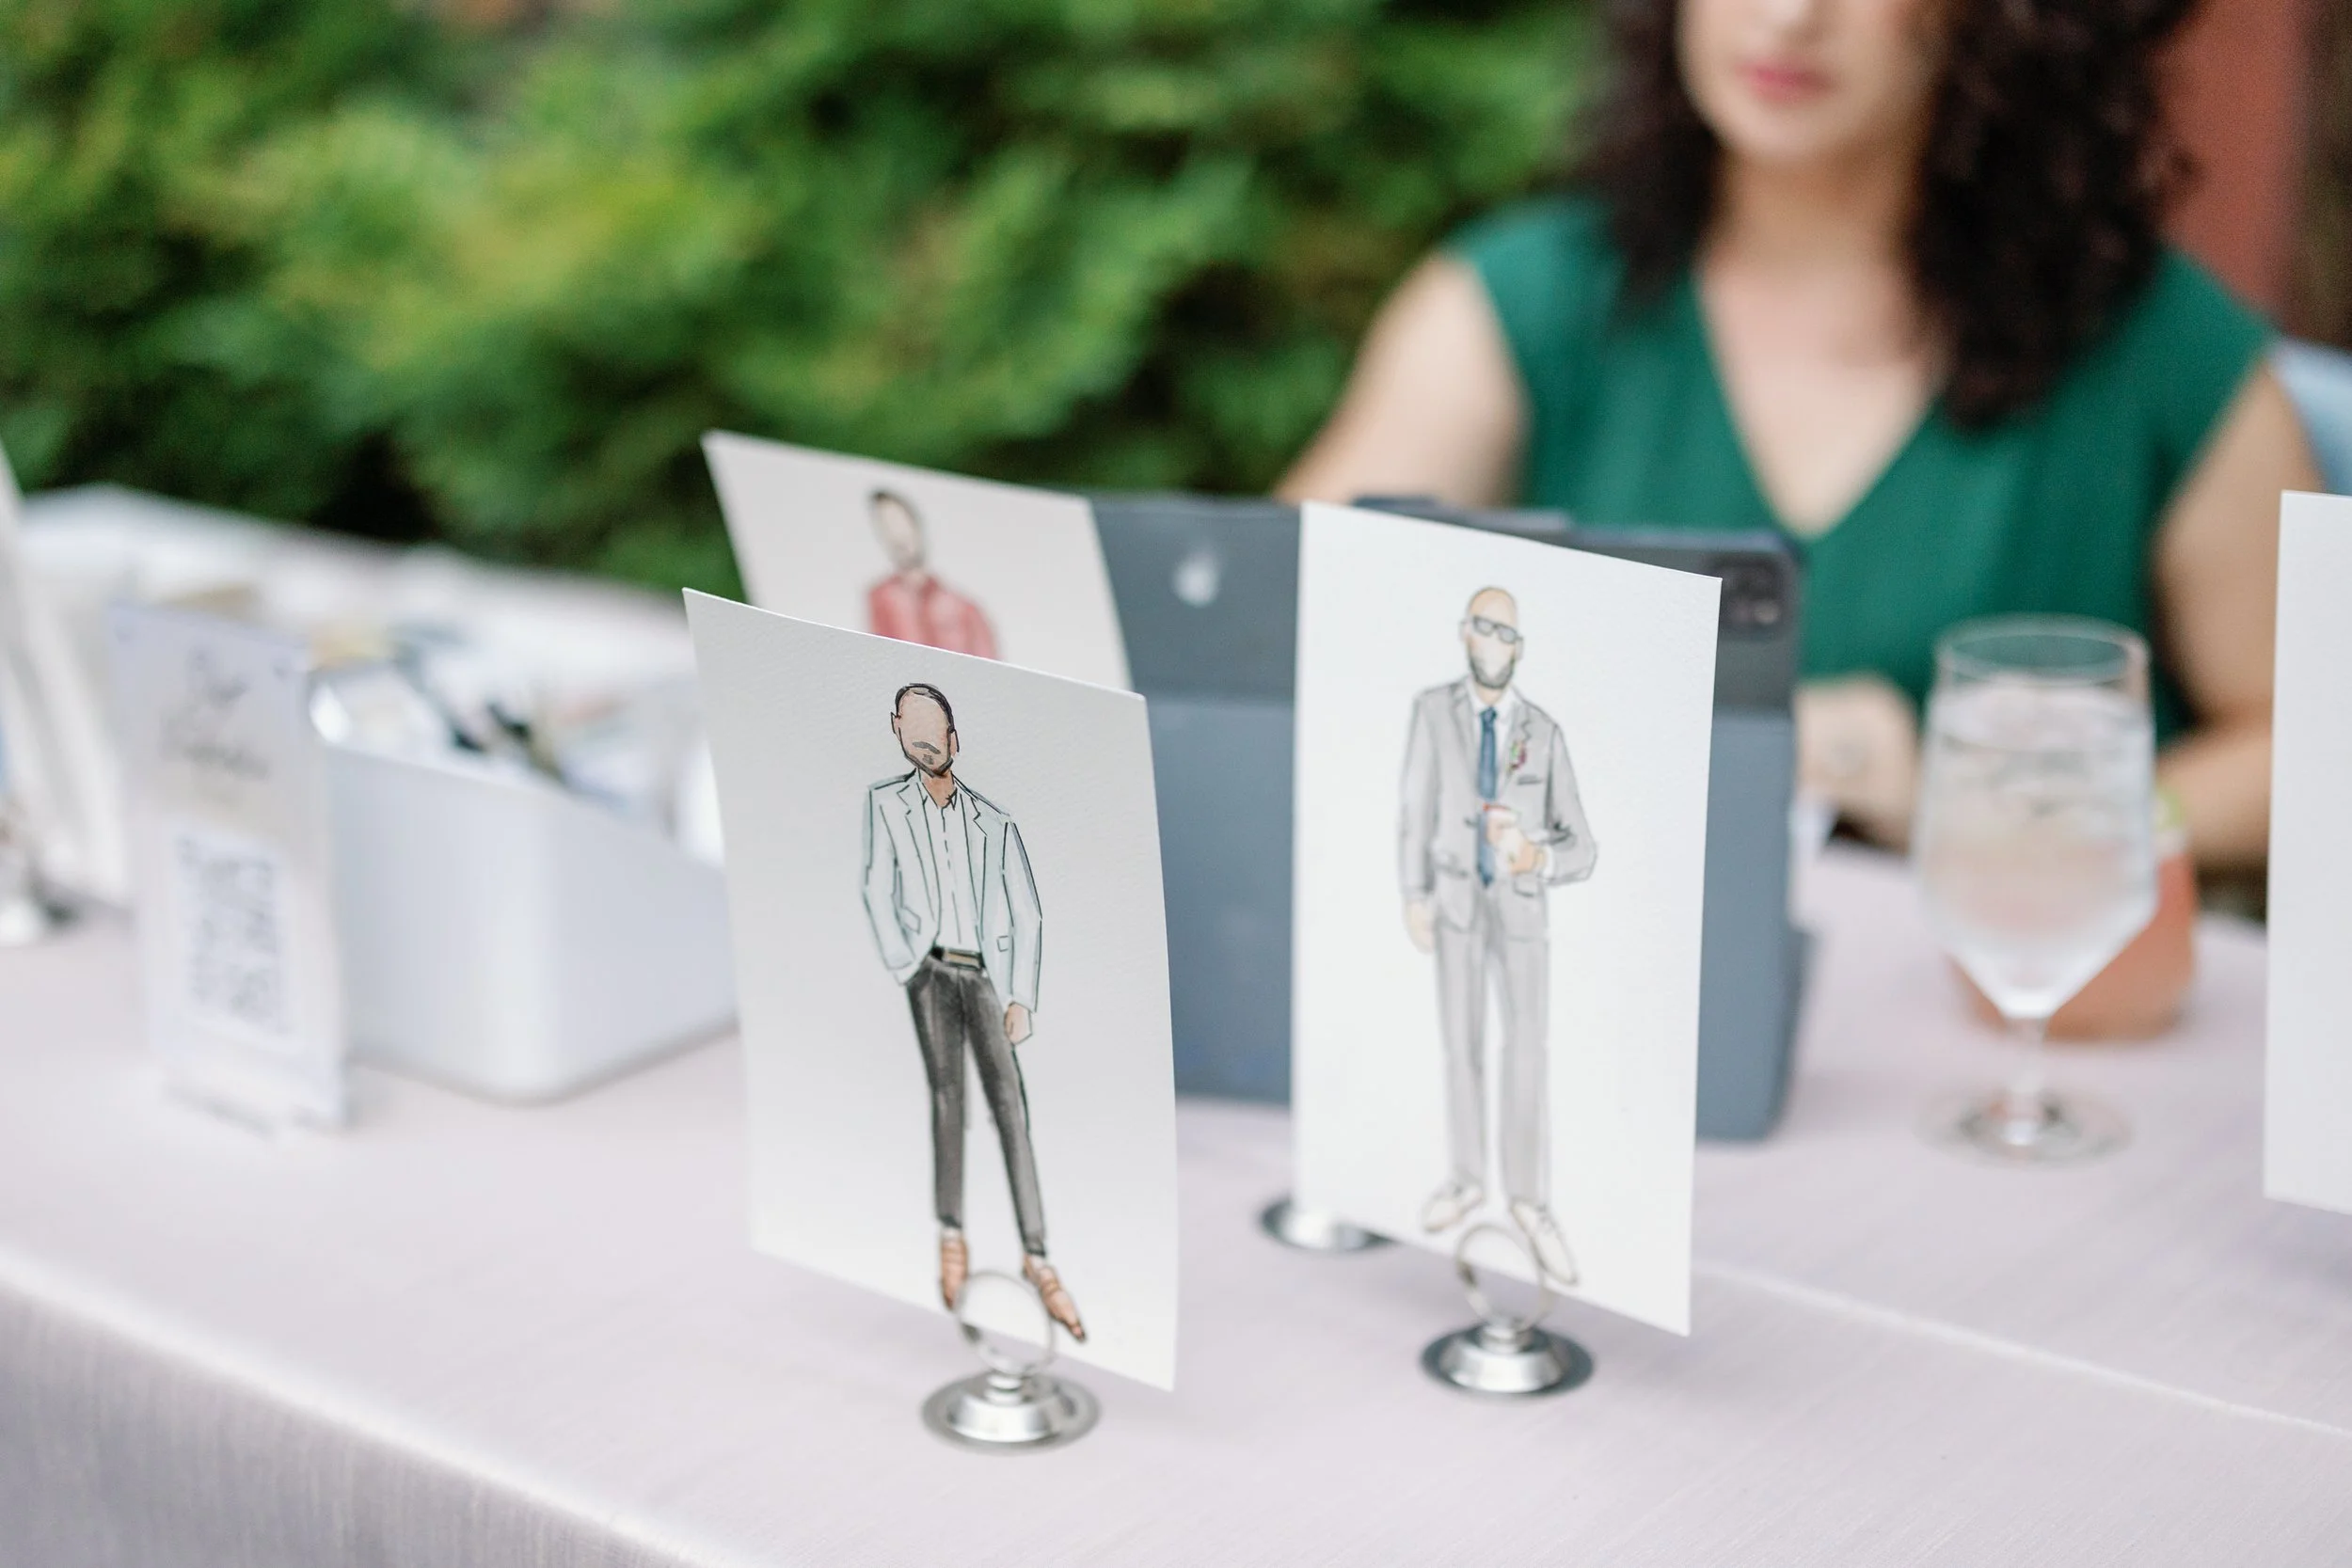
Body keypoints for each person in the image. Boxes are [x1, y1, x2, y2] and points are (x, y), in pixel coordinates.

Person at [1283, 0, 2320, 875]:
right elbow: (1269, 642)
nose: (1789, 18)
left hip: (2006, 1051)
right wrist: (1712, 741)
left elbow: (2316, 745)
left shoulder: (2164, 352)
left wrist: (2026, 820)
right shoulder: (1514, 307)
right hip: (1612, 1029)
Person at [859, 683, 1081, 1341]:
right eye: (913, 730)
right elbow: (876, 886)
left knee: (1010, 1107)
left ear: (955, 738)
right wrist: (905, 964)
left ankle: (1036, 1253)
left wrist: (1022, 995)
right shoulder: (886, 803)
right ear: (897, 729)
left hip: (985, 975)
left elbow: (1027, 911)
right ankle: (951, 1233)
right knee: (946, 1100)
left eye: (937, 732)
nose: (925, 743)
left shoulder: (994, 821)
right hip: (929, 970)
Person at [1400, 589, 1597, 1285]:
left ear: (1518, 647)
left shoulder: (1542, 731)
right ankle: (1464, 1177)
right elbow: (1414, 807)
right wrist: (1415, 893)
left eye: (1506, 632)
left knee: (1525, 1052)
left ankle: (1531, 1202)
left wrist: (1534, 855)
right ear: (1463, 634)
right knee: (1461, 1042)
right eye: (1483, 627)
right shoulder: (1432, 711)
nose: (1493, 641)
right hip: (1454, 897)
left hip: (1519, 908)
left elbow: (1583, 848)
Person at [865, 489, 999, 658]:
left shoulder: (964, 608)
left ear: (916, 524)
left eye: (900, 523)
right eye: (886, 526)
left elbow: (990, 666)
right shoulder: (881, 597)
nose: (898, 536)